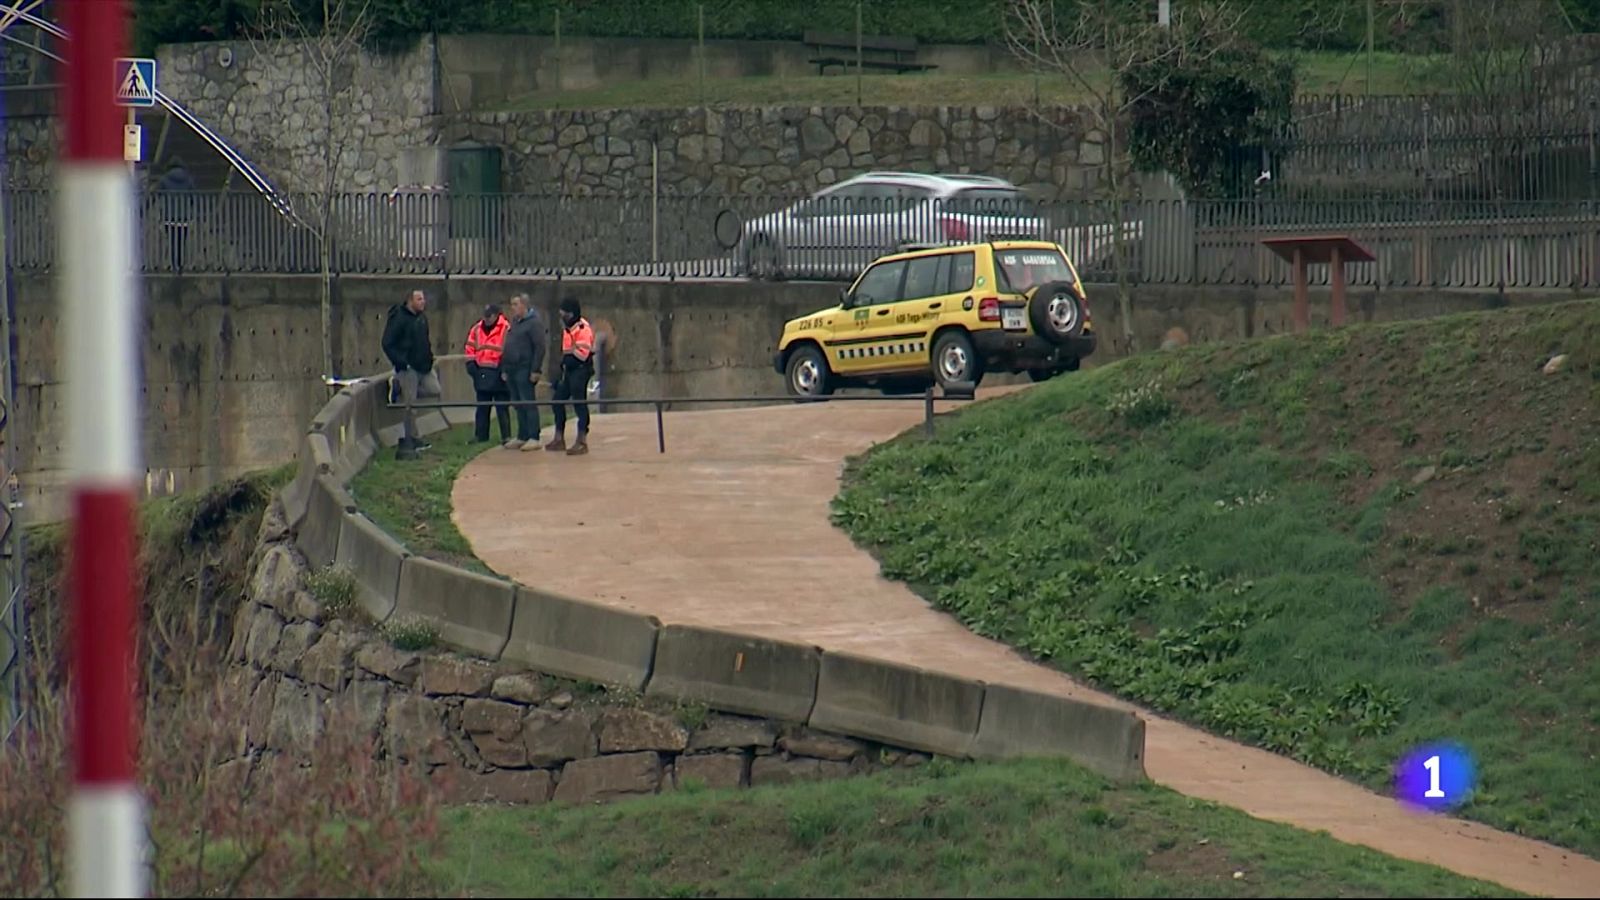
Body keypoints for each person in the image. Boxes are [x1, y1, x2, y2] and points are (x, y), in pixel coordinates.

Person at [381, 289, 438, 457]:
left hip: (424, 366)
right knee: (410, 406)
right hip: (408, 367)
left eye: (423, 298)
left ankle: (398, 387)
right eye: (419, 299)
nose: (423, 302)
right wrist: (401, 363)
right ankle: (412, 438)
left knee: (434, 389)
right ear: (410, 301)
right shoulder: (399, 318)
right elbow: (387, 343)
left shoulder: (422, 318)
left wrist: (429, 357)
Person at [545, 295, 595, 456]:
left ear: (572, 314)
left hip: (581, 369)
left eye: (565, 314)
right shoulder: (568, 329)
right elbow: (566, 352)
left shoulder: (582, 329)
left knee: (579, 403)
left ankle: (582, 440)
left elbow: (581, 354)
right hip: (570, 370)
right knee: (558, 400)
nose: (562, 318)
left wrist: (567, 360)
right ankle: (559, 438)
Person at [499, 293, 546, 451]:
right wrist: (504, 367)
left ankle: (534, 436)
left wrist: (535, 369)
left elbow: (540, 347)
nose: (512, 308)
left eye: (515, 304)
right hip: (511, 367)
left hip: (525, 367)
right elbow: (509, 344)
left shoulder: (534, 323)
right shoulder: (515, 323)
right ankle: (522, 435)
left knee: (528, 402)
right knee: (517, 402)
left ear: (524, 305)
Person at [464, 303, 512, 444]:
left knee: (502, 407)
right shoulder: (477, 329)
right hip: (481, 372)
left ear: (497, 315)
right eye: (485, 316)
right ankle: (481, 436)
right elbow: (469, 348)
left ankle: (506, 436)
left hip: (499, 373)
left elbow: (509, 351)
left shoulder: (506, 329)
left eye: (489, 316)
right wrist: (472, 367)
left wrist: (504, 370)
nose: (486, 319)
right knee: (482, 407)